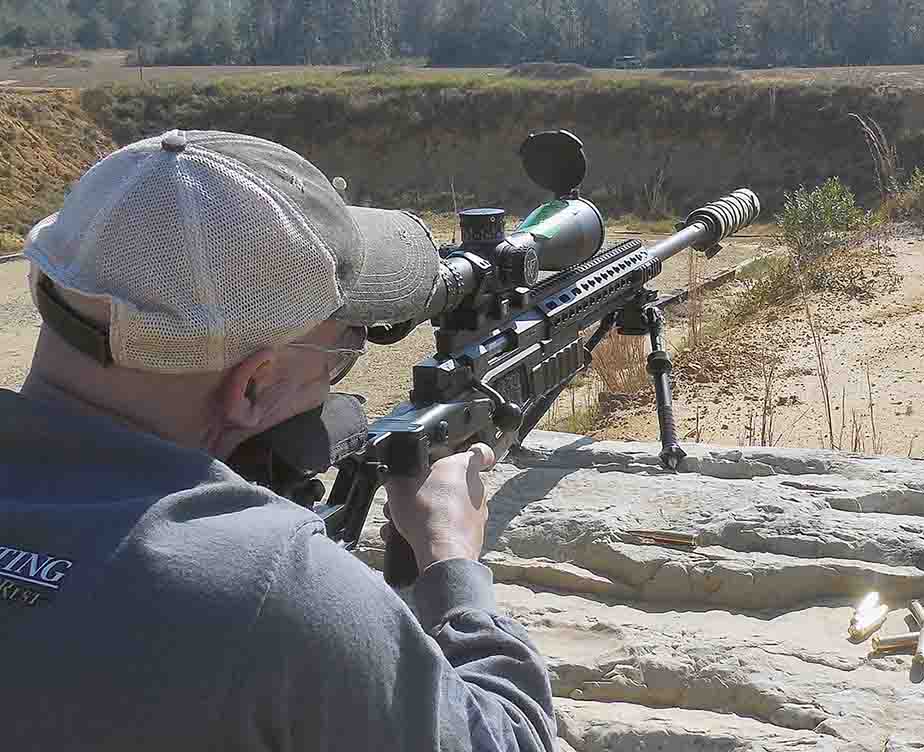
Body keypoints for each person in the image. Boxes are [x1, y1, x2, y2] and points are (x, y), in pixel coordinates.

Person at [0, 129, 556, 751]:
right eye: (341, 348)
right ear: (254, 387)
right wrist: (452, 558)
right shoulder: (276, 594)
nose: (338, 370)